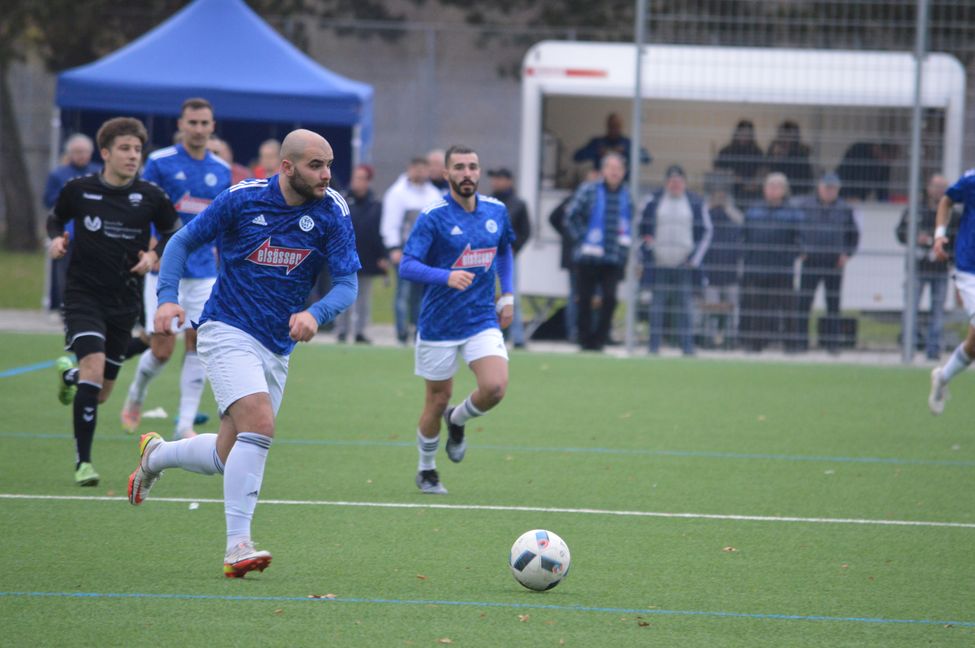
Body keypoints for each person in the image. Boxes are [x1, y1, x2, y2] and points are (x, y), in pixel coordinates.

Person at [127, 129, 360, 578]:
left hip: (277, 344)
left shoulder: (332, 210)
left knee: (225, 454)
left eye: (329, 164)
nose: (326, 174)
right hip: (225, 328)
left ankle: (154, 455)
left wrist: (317, 312)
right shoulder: (243, 198)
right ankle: (238, 546)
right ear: (287, 167)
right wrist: (168, 298)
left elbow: (347, 283)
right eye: (316, 165)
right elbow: (180, 242)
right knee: (261, 425)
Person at [48, 117, 180, 486]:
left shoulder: (151, 195)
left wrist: (154, 256)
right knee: (92, 369)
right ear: (105, 152)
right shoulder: (79, 189)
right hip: (82, 295)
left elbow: (174, 232)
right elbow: (55, 220)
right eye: (124, 148)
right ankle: (83, 464)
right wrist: (56, 240)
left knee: (101, 392)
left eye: (137, 149)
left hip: (124, 300)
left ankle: (69, 376)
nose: (133, 155)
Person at [398, 145, 515, 494]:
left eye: (472, 167)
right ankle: (427, 469)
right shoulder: (432, 216)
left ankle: (457, 418)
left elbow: (505, 249)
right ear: (446, 174)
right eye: (459, 167)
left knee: (495, 387)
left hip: (481, 318)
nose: (467, 173)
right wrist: (445, 276)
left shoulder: (496, 210)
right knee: (436, 399)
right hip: (438, 323)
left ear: (480, 173)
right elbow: (407, 265)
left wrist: (506, 294)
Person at [119, 98, 232, 440]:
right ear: (181, 125)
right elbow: (142, 210)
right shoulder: (160, 162)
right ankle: (137, 392)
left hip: (204, 272)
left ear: (213, 127)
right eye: (192, 123)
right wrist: (150, 250)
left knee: (199, 343)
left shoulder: (221, 170)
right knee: (162, 349)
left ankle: (184, 424)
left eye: (204, 123)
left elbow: (225, 222)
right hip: (165, 269)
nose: (198, 129)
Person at [640, 165, 713, 355]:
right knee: (657, 306)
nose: (675, 184)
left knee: (685, 307)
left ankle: (687, 347)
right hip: (659, 263)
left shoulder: (695, 202)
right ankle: (653, 347)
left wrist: (694, 259)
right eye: (671, 181)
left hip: (685, 264)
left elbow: (706, 231)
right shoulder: (653, 200)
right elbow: (640, 227)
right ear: (666, 183)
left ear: (684, 183)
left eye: (679, 181)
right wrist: (646, 252)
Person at [565, 152, 634, 351]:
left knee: (610, 299)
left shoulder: (627, 196)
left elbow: (630, 225)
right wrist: (582, 239)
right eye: (611, 168)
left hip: (614, 257)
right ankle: (585, 339)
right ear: (603, 170)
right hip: (587, 256)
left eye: (618, 169)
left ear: (624, 172)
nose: (614, 172)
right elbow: (571, 217)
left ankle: (601, 338)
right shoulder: (589, 190)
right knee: (584, 298)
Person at [794, 172, 859, 352]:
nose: (829, 192)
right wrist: (801, 251)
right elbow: (795, 232)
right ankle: (801, 343)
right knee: (804, 303)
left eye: (833, 189)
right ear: (819, 188)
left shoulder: (845, 209)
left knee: (833, 304)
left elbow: (853, 236)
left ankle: (832, 344)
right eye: (827, 188)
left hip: (834, 263)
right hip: (811, 261)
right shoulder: (805, 206)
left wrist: (846, 254)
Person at [928, 167, 975, 415]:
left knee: (972, 346)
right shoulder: (971, 180)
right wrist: (939, 236)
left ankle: (942, 377)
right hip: (970, 268)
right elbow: (946, 200)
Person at [380, 157, 443, 344]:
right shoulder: (398, 193)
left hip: (426, 252)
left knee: (421, 294)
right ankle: (401, 332)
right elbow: (390, 223)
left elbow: (438, 225)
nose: (421, 173)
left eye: (425, 169)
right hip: (405, 250)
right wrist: (393, 248)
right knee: (403, 293)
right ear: (410, 169)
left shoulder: (433, 194)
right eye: (418, 169)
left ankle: (418, 330)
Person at [739, 172, 804, 352]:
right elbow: (743, 236)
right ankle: (756, 345)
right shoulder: (753, 211)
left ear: (784, 190)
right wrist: (748, 256)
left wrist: (790, 256)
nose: (772, 190)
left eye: (777, 187)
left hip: (782, 269)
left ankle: (791, 345)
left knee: (788, 308)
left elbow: (800, 239)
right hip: (757, 268)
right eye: (770, 186)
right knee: (758, 308)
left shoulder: (793, 213)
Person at [43, 134, 102, 312]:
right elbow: (48, 201)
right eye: (77, 152)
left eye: (84, 152)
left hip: (95, 233)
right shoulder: (58, 174)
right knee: (66, 272)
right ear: (69, 153)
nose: (81, 155)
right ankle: (67, 307)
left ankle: (92, 308)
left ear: (91, 153)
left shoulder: (99, 172)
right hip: (68, 233)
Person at [896, 173, 952, 360]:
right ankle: (908, 349)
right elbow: (900, 232)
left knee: (937, 311)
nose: (938, 190)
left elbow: (958, 240)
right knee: (910, 308)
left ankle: (933, 350)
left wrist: (945, 248)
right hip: (917, 268)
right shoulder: (915, 210)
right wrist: (914, 237)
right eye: (935, 186)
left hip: (940, 269)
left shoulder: (953, 213)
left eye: (942, 187)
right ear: (928, 188)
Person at [336, 164, 387, 343]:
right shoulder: (342, 200)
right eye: (356, 177)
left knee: (363, 296)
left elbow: (379, 230)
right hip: (344, 255)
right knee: (343, 293)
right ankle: (342, 330)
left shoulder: (375, 203)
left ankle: (360, 331)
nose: (358, 182)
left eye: (362, 178)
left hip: (366, 255)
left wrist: (383, 255)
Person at [699, 172, 744, 348]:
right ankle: (708, 339)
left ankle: (731, 339)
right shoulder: (705, 212)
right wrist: (711, 206)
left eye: (722, 192)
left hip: (731, 271)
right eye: (716, 192)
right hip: (710, 271)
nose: (719, 195)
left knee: (732, 309)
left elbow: (742, 223)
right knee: (711, 308)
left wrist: (726, 207)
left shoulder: (733, 213)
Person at [488, 167, 531, 348]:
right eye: (494, 179)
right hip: (487, 256)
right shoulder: (487, 202)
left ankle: (518, 337)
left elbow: (526, 231)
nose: (496, 182)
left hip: (508, 257)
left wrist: (515, 247)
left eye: (499, 178)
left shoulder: (518, 204)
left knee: (511, 295)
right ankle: (492, 334)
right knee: (488, 295)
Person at [573, 112, 651, 172]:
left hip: (624, 185)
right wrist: (597, 152)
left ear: (621, 126)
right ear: (607, 126)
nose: (614, 128)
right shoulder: (597, 143)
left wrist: (627, 151)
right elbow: (576, 157)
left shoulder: (627, 143)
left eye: (617, 126)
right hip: (600, 185)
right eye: (612, 125)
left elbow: (647, 158)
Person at [713, 119, 765, 206]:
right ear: (737, 133)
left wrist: (754, 182)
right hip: (730, 190)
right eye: (742, 133)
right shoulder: (726, 151)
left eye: (748, 134)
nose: (744, 136)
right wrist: (732, 177)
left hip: (752, 192)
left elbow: (763, 170)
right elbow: (717, 171)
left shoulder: (757, 152)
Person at [766, 120, 814, 197]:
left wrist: (786, 155)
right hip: (777, 185)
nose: (787, 138)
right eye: (785, 134)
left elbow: (802, 171)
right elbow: (768, 166)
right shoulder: (774, 147)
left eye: (790, 134)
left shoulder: (801, 150)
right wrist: (775, 158)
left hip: (797, 187)